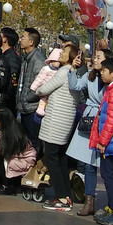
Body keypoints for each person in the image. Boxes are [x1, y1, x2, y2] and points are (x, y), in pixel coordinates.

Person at [37, 41, 80, 212]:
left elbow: (44, 89)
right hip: (66, 120)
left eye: (64, 52)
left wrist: (39, 89)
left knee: (51, 158)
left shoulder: (63, 72)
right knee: (60, 157)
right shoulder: (73, 73)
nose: (61, 54)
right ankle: (66, 194)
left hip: (56, 120)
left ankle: (61, 197)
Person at [66, 48, 106, 217]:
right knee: (88, 162)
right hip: (90, 120)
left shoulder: (111, 80)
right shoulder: (91, 75)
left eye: (98, 57)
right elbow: (74, 85)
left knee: (106, 166)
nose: (94, 59)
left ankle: (112, 205)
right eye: (94, 56)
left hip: (105, 121)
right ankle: (89, 201)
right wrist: (73, 69)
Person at [91, 56, 113, 225]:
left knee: (109, 176)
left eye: (104, 71)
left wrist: (103, 141)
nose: (101, 74)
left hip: (112, 143)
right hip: (112, 142)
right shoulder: (110, 89)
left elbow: (111, 119)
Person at [16, 27, 45, 154]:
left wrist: (26, 98)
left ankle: (33, 170)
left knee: (33, 142)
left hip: (31, 108)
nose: (20, 40)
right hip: (23, 107)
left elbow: (40, 86)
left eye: (23, 37)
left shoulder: (38, 60)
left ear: (31, 42)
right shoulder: (26, 58)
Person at [0, 26, 22, 113]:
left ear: (5, 39)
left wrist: (6, 97)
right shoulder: (1, 55)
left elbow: (12, 80)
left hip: (6, 102)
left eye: (0, 35)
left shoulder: (12, 58)